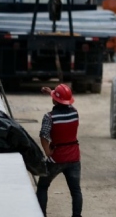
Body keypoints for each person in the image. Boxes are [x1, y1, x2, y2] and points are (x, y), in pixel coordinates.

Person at [36, 83, 83, 217]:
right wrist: (52, 92)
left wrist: (47, 152)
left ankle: (41, 214)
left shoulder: (49, 117)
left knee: (43, 187)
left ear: (55, 100)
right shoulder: (75, 113)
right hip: (74, 157)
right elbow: (64, 101)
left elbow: (43, 135)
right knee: (76, 191)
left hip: (56, 158)